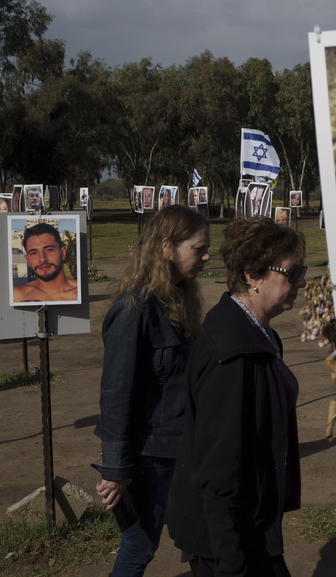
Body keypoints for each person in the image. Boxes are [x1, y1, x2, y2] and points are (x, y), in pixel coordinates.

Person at [167, 218, 305, 575]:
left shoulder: (258, 334)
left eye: (302, 271)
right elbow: (218, 472)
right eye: (292, 273)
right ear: (251, 275)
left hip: (250, 523)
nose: (302, 282)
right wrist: (230, 564)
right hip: (229, 539)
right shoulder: (231, 354)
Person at [94, 205, 210, 576]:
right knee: (139, 545)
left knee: (204, 537)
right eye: (199, 248)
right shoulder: (133, 311)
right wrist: (115, 469)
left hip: (187, 448)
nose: (207, 257)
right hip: (151, 458)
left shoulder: (179, 301)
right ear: (166, 247)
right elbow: (116, 395)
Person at [12, 223, 79, 303]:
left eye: (49, 250)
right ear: (28, 260)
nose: (42, 259)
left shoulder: (80, 293)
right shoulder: (17, 295)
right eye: (34, 253)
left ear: (63, 253)